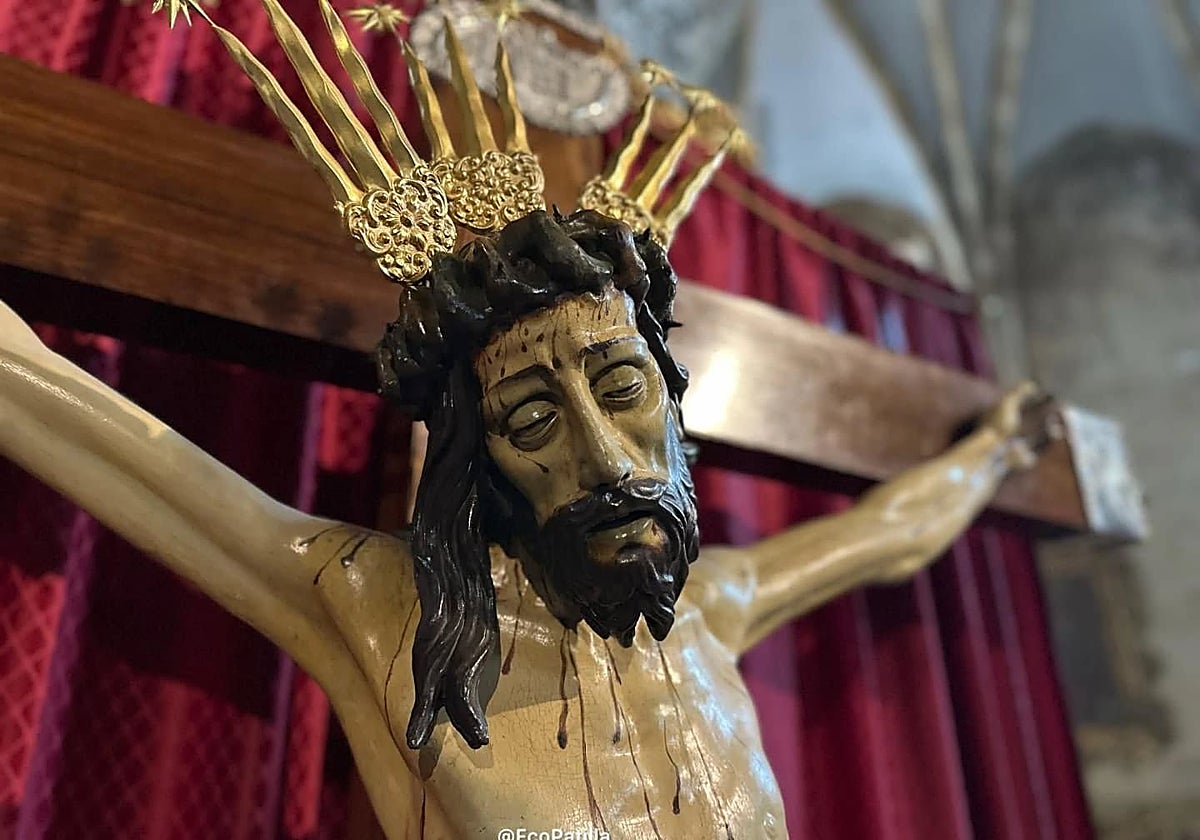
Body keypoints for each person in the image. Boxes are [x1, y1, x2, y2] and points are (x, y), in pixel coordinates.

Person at [0, 2, 1057, 834]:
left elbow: (896, 532)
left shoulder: (717, 610)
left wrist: (1003, 447)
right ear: (480, 455)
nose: (606, 461)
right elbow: (59, 408)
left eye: (626, 390)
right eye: (533, 416)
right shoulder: (374, 611)